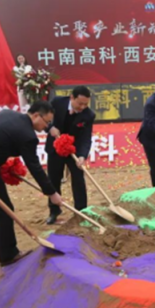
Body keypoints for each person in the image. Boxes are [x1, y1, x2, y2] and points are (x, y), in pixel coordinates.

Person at [0, 101, 63, 267]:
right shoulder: (27, 135)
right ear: (36, 115)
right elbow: (34, 167)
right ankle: (8, 254)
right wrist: (52, 193)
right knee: (3, 210)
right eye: (46, 121)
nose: (46, 126)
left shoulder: (7, 114)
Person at [45, 86, 95, 225]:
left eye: (86, 104)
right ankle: (54, 211)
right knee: (54, 179)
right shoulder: (57, 102)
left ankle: (81, 211)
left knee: (78, 179)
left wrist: (82, 156)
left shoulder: (88, 115)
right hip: (55, 147)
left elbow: (86, 138)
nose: (83, 107)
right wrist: (50, 128)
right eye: (80, 103)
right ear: (72, 98)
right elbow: (43, 118)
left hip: (74, 150)